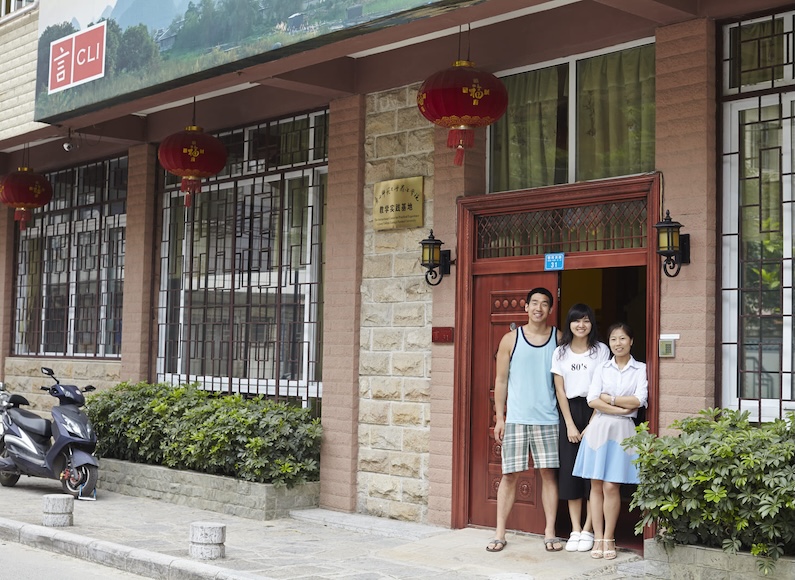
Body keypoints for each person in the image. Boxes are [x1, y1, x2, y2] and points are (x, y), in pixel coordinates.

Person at [486, 287, 563, 554]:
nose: (539, 308)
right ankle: (500, 533)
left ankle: (550, 531)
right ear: (526, 307)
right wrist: (500, 418)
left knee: (548, 475)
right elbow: (501, 381)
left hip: (548, 419)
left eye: (544, 304)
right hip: (517, 419)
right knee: (509, 475)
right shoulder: (510, 339)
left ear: (550, 309)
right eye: (534, 303)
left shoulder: (558, 339)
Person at [572, 322, 648, 560]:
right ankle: (597, 537)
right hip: (599, 429)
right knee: (595, 485)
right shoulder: (602, 368)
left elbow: (639, 400)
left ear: (631, 341)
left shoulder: (641, 369)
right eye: (614, 339)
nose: (618, 343)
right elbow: (592, 400)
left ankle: (609, 538)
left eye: (622, 338)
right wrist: (620, 408)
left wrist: (611, 399)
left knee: (611, 486)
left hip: (623, 432)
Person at [551, 304, 610, 553]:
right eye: (577, 321)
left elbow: (604, 386)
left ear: (591, 324)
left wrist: (592, 424)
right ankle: (575, 529)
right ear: (570, 324)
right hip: (569, 413)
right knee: (570, 472)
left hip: (596, 409)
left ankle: (588, 529)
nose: (581, 325)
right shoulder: (560, 352)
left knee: (592, 475)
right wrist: (570, 425)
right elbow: (559, 390)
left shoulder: (601, 350)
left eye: (586, 320)